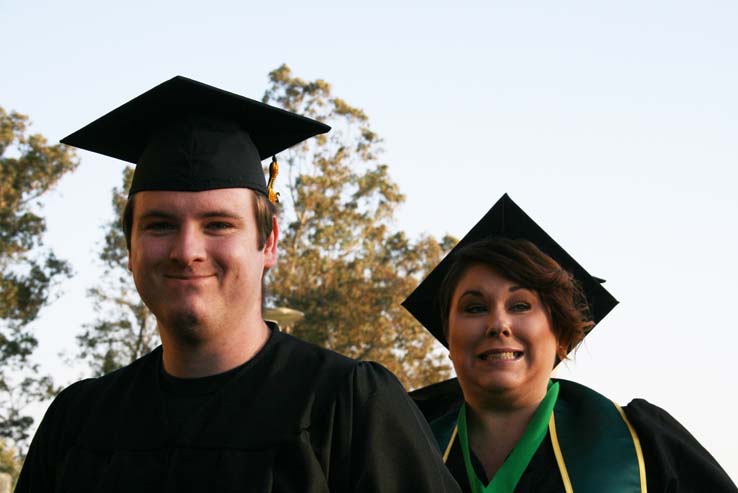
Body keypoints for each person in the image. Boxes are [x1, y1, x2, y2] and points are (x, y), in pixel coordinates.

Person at [16, 76, 459, 492]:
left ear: (268, 243)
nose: (186, 250)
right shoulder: (78, 424)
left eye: (218, 224)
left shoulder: (348, 408)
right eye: (159, 225)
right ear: (129, 247)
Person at [403, 194, 737, 492]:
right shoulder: (397, 445)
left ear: (562, 336)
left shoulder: (644, 445)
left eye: (520, 305)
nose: (498, 324)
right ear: (449, 339)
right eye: (474, 308)